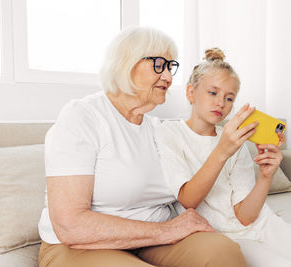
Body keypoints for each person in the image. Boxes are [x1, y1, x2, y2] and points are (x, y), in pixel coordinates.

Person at [37, 28, 248, 267]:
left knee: (223, 253)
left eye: (171, 67)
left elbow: (196, 186)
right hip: (81, 245)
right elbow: (70, 225)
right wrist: (166, 231)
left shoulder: (159, 130)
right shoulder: (82, 117)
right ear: (125, 63)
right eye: (159, 65)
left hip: (150, 240)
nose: (168, 77)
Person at [155, 48, 291, 267]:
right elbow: (188, 200)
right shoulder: (169, 133)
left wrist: (266, 176)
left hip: (261, 224)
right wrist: (223, 150)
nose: (221, 102)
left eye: (229, 98)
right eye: (213, 93)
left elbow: (245, 217)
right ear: (191, 92)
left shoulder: (234, 140)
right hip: (224, 236)